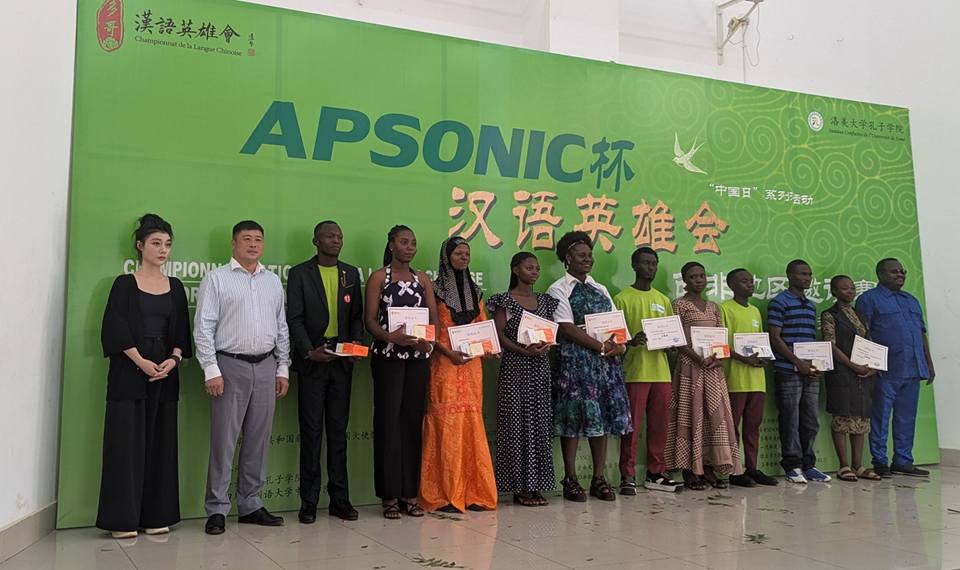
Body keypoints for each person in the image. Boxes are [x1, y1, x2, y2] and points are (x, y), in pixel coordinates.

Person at [97, 214, 192, 539]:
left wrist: (173, 360)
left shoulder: (176, 287)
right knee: (126, 446)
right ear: (139, 246)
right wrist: (140, 361)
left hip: (165, 375)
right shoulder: (124, 284)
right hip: (129, 373)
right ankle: (121, 520)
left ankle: (156, 514)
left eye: (167, 244)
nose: (163, 249)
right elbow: (115, 328)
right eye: (156, 243)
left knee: (161, 445)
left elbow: (181, 334)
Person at [195, 220, 291, 535]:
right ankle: (217, 508)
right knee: (224, 441)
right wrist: (211, 369)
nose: (253, 244)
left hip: (265, 366)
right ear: (234, 243)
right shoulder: (217, 279)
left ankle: (250, 504)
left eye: (258, 239)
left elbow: (282, 327)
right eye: (246, 239)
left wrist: (282, 368)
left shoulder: (272, 282)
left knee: (258, 440)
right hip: (229, 366)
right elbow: (204, 326)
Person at [546, 231, 632, 502]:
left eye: (589, 255)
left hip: (605, 365)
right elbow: (566, 327)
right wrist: (601, 347)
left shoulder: (600, 287)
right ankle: (570, 479)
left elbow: (615, 324)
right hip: (575, 362)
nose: (587, 260)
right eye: (581, 255)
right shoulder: (559, 288)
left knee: (601, 419)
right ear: (567, 258)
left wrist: (619, 344)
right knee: (574, 419)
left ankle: (599, 478)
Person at [286, 221, 364, 522]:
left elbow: (356, 315)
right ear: (315, 240)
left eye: (340, 236)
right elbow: (294, 318)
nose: (337, 240)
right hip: (312, 361)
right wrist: (309, 351)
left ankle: (339, 499)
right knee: (311, 433)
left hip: (342, 363)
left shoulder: (350, 273)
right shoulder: (299, 274)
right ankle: (308, 501)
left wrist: (356, 343)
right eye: (330, 236)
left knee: (337, 433)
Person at [419, 237, 498, 513]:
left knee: (470, 423)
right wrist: (446, 351)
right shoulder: (435, 289)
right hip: (444, 365)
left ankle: (474, 492)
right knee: (447, 424)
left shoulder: (476, 291)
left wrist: (490, 348)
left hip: (472, 366)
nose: (464, 258)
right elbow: (430, 329)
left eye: (467, 253)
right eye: (458, 253)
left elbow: (482, 325)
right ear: (446, 257)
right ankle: (445, 494)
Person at [364, 225, 438, 519]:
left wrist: (428, 343)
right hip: (388, 357)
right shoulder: (379, 278)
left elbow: (433, 320)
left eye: (413, 242)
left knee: (411, 422)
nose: (410, 247)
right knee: (387, 423)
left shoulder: (423, 280)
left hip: (417, 359)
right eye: (404, 242)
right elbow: (369, 321)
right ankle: (389, 495)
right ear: (391, 245)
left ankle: (410, 493)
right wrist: (390, 337)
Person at [665, 261, 742, 490]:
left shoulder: (714, 307)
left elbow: (719, 337)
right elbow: (676, 338)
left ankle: (709, 467)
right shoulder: (678, 305)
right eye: (693, 277)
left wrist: (718, 356)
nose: (698, 280)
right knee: (690, 415)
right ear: (685, 281)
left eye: (701, 276)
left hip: (713, 369)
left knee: (714, 418)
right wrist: (698, 358)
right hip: (690, 367)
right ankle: (690, 471)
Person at [488, 252, 558, 507]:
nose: (535, 271)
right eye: (529, 267)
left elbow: (549, 331)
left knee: (539, 424)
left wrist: (545, 345)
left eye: (537, 268)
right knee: (515, 425)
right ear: (515, 270)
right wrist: (521, 350)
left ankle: (537, 485)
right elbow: (498, 335)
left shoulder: (546, 301)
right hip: (514, 367)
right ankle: (519, 487)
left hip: (539, 367)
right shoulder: (504, 300)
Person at [856, 258, 936, 478]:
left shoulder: (911, 300)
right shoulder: (868, 300)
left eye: (902, 271)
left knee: (906, 417)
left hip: (912, 367)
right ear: (880, 274)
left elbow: (921, 334)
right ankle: (880, 461)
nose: (900, 275)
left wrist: (928, 363)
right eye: (894, 272)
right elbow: (862, 333)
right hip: (884, 369)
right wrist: (869, 363)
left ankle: (903, 460)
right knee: (880, 416)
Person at [612, 247, 680, 494]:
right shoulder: (622, 298)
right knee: (632, 427)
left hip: (661, 373)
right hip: (634, 372)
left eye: (654, 263)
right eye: (645, 263)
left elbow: (672, 339)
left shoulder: (663, 300)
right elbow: (615, 338)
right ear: (634, 265)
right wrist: (631, 341)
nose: (650, 267)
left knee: (660, 426)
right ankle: (627, 475)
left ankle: (656, 473)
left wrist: (672, 344)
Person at [768, 259, 830, 484]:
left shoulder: (812, 305)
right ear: (790, 276)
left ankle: (809, 465)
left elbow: (811, 341)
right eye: (802, 274)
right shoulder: (779, 302)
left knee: (810, 420)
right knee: (790, 419)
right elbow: (775, 339)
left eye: (809, 274)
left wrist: (815, 365)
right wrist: (797, 362)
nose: (807, 278)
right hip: (788, 371)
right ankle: (792, 465)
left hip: (810, 372)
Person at [720, 269, 779, 487]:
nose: (750, 284)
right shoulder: (725, 309)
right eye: (743, 281)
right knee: (732, 426)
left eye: (751, 280)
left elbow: (759, 342)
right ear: (731, 285)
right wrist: (744, 359)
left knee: (754, 425)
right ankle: (735, 470)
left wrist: (763, 356)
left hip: (757, 379)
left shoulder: (755, 310)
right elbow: (721, 344)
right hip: (736, 378)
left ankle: (752, 467)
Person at [822, 275, 879, 482]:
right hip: (842, 372)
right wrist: (852, 365)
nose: (850, 291)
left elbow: (869, 342)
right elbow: (831, 345)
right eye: (844, 288)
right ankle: (843, 465)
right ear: (834, 291)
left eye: (852, 288)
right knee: (842, 417)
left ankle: (858, 465)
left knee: (861, 418)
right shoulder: (830, 315)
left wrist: (872, 366)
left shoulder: (860, 314)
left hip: (863, 374)